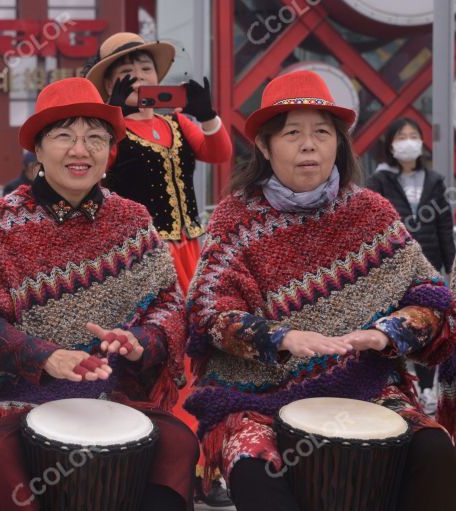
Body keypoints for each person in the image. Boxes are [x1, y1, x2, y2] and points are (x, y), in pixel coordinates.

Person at [184, 70, 456, 511]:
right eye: (292, 133)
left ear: (338, 144)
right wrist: (281, 338)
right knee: (255, 469)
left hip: (365, 385)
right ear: (265, 146)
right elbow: (209, 312)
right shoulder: (235, 218)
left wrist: (388, 332)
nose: (308, 144)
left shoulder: (371, 211)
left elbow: (431, 296)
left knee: (435, 450)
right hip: (256, 397)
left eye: (322, 133)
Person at [0, 77, 197, 511]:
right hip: (8, 393)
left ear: (109, 152)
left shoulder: (133, 220)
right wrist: (47, 357)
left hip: (111, 390)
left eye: (95, 138)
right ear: (38, 150)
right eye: (64, 136)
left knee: (178, 442)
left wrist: (141, 343)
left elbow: (168, 306)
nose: (81, 150)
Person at [85, 31, 234, 505]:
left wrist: (207, 114)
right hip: (140, 258)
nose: (140, 77)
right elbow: (95, 166)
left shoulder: (177, 125)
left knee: (201, 359)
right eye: (127, 72)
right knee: (153, 358)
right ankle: (151, 461)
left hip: (192, 252)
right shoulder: (109, 130)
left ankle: (204, 467)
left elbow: (220, 153)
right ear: (111, 82)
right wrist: (112, 117)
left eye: (147, 68)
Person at [367, 118, 455, 415]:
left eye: (413, 135)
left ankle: (428, 389)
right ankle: (398, 386)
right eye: (401, 135)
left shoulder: (434, 180)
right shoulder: (379, 181)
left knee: (427, 324)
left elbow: (444, 224)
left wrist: (449, 264)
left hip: (428, 263)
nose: (408, 140)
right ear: (391, 144)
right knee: (394, 325)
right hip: (393, 267)